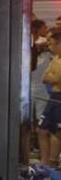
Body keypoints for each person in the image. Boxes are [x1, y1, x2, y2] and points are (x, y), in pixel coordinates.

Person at [38, 30, 61, 167]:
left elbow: (55, 78)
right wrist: (51, 77)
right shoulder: (55, 59)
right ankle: (44, 164)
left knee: (56, 132)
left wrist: (51, 77)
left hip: (59, 97)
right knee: (42, 130)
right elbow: (45, 76)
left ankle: (52, 163)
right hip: (54, 96)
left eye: (51, 44)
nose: (49, 46)